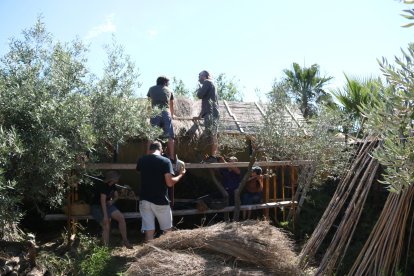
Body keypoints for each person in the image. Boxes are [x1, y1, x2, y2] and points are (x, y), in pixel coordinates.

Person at [136, 140, 186, 242]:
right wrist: (181, 174)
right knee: (167, 230)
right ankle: (166, 253)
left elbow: (139, 173)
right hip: (160, 200)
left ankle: (148, 254)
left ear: (150, 149)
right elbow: (169, 183)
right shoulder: (165, 161)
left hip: (144, 200)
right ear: (161, 150)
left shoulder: (141, 160)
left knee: (149, 230)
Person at [91, 170, 132, 248]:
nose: (119, 179)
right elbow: (102, 201)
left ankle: (125, 241)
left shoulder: (113, 185)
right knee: (106, 224)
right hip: (97, 206)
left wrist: (112, 201)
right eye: (117, 178)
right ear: (113, 178)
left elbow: (116, 196)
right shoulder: (104, 186)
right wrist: (106, 216)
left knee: (121, 218)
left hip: (107, 205)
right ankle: (105, 248)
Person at [147, 75, 175, 161]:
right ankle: (172, 157)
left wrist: (149, 113)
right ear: (165, 82)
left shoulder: (151, 89)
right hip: (166, 113)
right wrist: (172, 115)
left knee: (151, 136)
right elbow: (171, 104)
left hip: (155, 112)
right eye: (168, 83)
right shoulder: (169, 90)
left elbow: (148, 103)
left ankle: (148, 155)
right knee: (170, 136)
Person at [197, 70, 219, 160]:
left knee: (212, 134)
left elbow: (199, 95)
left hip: (211, 113)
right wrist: (199, 115)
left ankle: (213, 156)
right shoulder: (210, 84)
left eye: (200, 75)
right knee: (211, 134)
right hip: (211, 112)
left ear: (205, 76)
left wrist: (199, 88)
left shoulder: (207, 82)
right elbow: (206, 102)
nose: (198, 77)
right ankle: (212, 155)